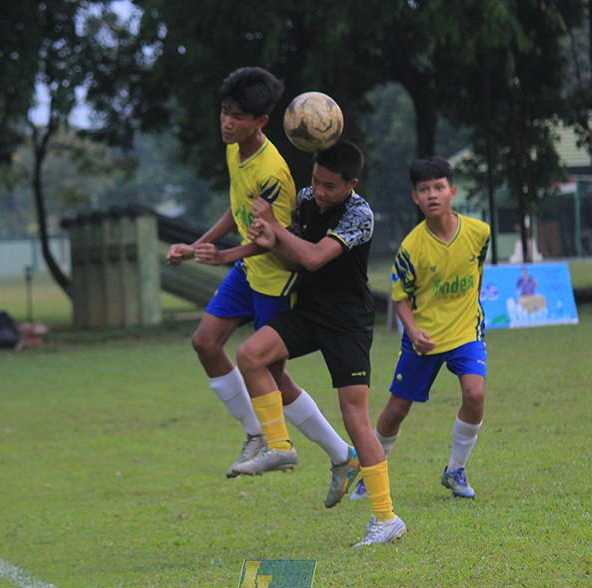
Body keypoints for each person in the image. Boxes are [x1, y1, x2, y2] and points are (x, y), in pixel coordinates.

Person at [165, 67, 358, 506]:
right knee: (206, 343)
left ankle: (328, 453)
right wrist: (197, 245)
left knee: (270, 371)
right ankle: (259, 431)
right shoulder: (235, 151)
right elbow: (237, 211)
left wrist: (226, 256)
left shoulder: (273, 171)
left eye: (237, 116)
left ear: (261, 123)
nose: (226, 122)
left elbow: (274, 237)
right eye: (224, 112)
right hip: (248, 273)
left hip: (275, 277)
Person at [235, 140, 404, 546]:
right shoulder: (306, 200)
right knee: (251, 355)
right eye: (315, 180)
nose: (319, 190)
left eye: (330, 185)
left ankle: (386, 518)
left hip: (347, 322)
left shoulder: (360, 215)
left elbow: (312, 257)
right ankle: (279, 446)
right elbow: (293, 256)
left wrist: (275, 230)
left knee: (354, 416)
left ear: (352, 183)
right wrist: (265, 237)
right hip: (310, 312)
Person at [353, 156, 490, 502]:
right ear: (415, 197)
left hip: (465, 332)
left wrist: (472, 311)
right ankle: (371, 472)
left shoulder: (479, 233)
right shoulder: (411, 247)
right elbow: (400, 299)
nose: (432, 195)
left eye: (439, 187)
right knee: (397, 410)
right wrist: (413, 332)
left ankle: (456, 470)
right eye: (424, 189)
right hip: (423, 337)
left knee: (475, 395)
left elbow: (478, 273)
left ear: (452, 191)